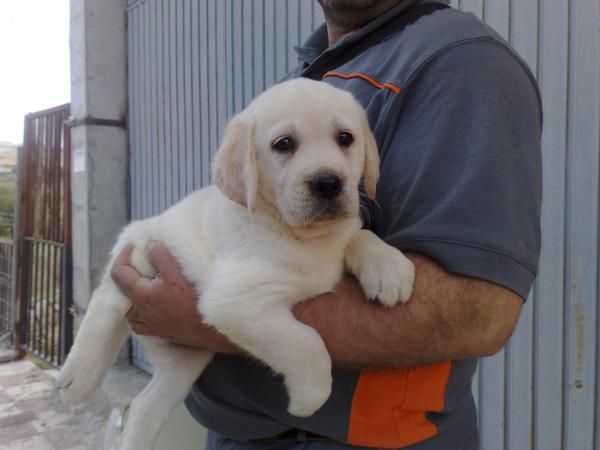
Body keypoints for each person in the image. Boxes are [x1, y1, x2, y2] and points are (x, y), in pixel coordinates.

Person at [112, 0, 542, 448]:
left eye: (343, 141)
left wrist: (210, 316)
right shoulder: (309, 77)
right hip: (239, 433)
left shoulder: (459, 61)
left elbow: (476, 311)